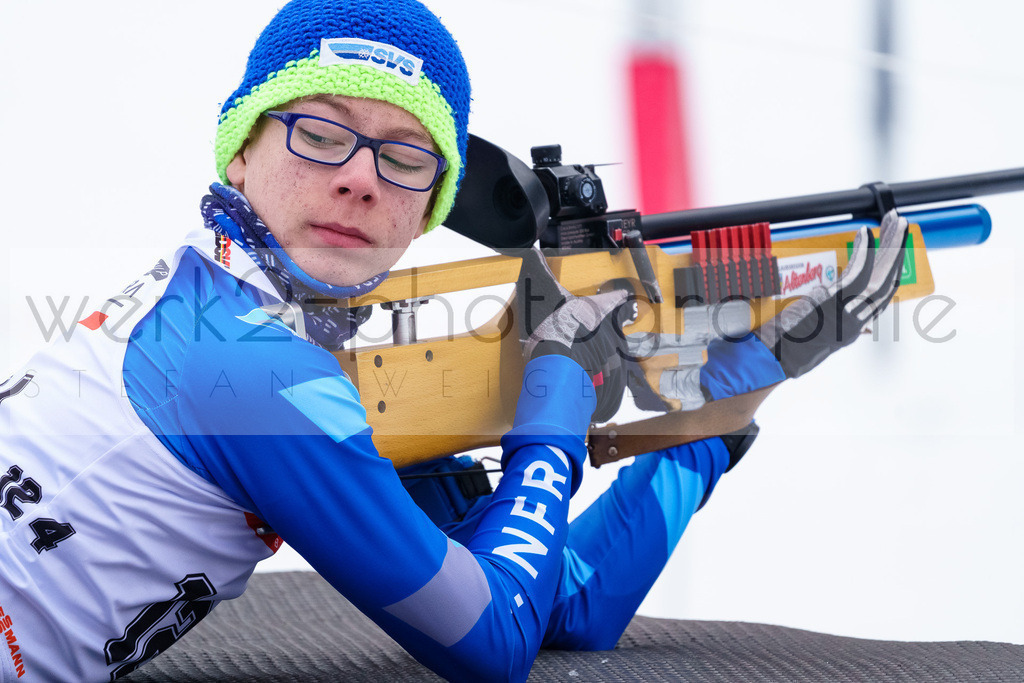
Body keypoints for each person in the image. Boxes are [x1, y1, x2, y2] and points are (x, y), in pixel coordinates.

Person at [0, 1, 907, 681]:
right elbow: (494, 646)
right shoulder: (258, 373)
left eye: (405, 157)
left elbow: (558, 602)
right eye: (319, 132)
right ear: (239, 148)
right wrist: (550, 400)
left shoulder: (245, 317)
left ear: (429, 208)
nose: (360, 179)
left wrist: (727, 403)